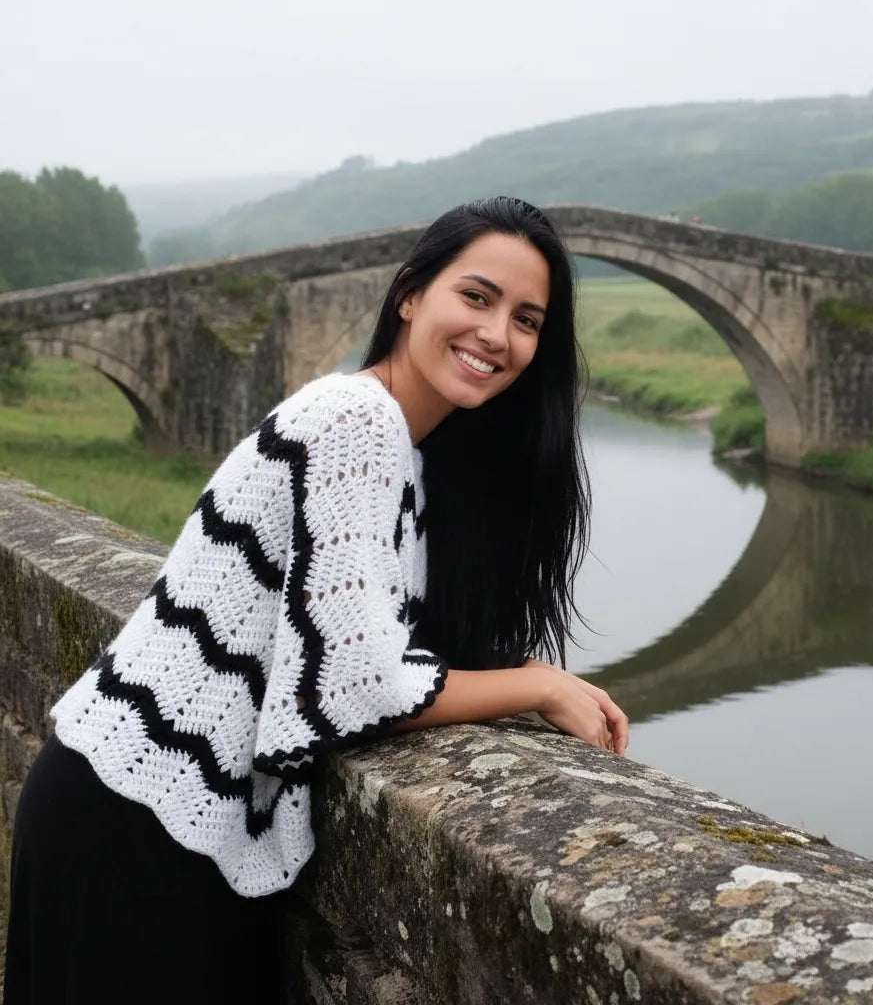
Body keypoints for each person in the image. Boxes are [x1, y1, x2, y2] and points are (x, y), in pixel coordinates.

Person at [4, 195, 629, 1003]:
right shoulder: (355, 418)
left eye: (527, 320)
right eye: (476, 296)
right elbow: (353, 684)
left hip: (167, 820)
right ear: (410, 296)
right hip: (132, 820)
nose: (496, 334)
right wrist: (539, 683)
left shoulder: (414, 456)